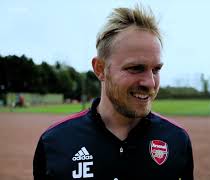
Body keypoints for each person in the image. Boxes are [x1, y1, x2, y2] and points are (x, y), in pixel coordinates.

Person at [33, 5, 194, 180]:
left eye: (156, 69)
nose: (150, 82)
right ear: (100, 69)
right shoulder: (55, 142)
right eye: (135, 68)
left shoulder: (177, 140)